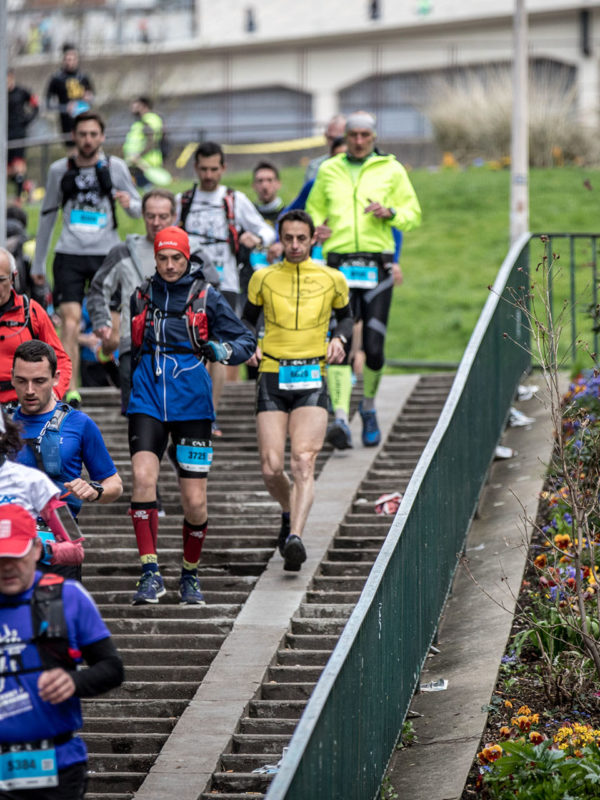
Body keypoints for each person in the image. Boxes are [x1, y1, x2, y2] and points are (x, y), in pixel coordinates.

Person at [127, 227, 255, 604]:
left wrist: (219, 350)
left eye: (176, 259)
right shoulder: (142, 295)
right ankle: (150, 573)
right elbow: (130, 349)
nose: (169, 265)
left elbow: (246, 341)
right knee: (141, 477)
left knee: (195, 502)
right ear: (155, 258)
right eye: (163, 258)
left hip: (193, 405)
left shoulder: (206, 296)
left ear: (187, 258)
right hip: (147, 399)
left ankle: (189, 575)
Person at [241, 210, 352, 571]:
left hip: (312, 375)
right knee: (272, 467)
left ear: (312, 239)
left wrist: (340, 338)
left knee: (303, 461)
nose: (294, 245)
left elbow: (348, 317)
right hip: (273, 373)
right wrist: (249, 345)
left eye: (301, 239)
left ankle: (295, 538)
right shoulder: (263, 278)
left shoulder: (333, 279)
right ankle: (289, 511)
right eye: (288, 238)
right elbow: (246, 320)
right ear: (280, 239)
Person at [306, 110, 422, 448]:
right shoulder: (329, 170)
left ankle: (368, 407)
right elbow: (312, 210)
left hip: (377, 267)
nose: (358, 141)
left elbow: (414, 215)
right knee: (338, 344)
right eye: (353, 135)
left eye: (364, 136)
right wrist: (316, 229)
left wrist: (393, 213)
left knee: (373, 349)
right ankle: (340, 417)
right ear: (345, 136)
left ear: (373, 138)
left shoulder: (391, 169)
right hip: (338, 266)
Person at [0, 502, 124, 798]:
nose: (7, 567)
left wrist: (73, 682)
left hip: (58, 764)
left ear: (35, 549)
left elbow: (112, 668)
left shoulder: (67, 596)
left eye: (14, 557)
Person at [31, 111, 141, 409]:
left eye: (94, 134)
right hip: (70, 253)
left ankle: (106, 352)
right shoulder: (59, 169)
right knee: (70, 321)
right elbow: (47, 216)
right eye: (82, 134)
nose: (88, 140)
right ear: (74, 137)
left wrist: (131, 203)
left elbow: (138, 209)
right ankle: (70, 389)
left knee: (114, 332)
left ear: (102, 137)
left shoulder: (115, 167)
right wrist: (38, 262)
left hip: (107, 254)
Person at [178, 141, 274, 426]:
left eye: (214, 169)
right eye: (203, 169)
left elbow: (267, 232)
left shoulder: (234, 199)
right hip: (189, 285)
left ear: (223, 168)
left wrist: (254, 240)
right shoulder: (182, 201)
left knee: (216, 345)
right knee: (190, 346)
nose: (208, 175)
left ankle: (212, 412)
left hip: (226, 285)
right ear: (196, 168)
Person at [87, 189, 179, 413]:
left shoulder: (191, 251)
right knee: (138, 419)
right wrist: (101, 320)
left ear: (174, 217)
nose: (156, 222)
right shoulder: (123, 252)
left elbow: (211, 291)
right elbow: (97, 289)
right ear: (143, 215)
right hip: (134, 347)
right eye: (150, 216)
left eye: (163, 216)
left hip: (180, 350)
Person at [11, 340, 123, 524]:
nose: (30, 390)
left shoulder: (79, 423)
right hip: (10, 536)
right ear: (12, 377)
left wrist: (95, 491)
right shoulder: (4, 425)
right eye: (22, 381)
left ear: (56, 378)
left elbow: (115, 484)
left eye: (39, 381)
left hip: (58, 536)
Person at [0, 248, 71, 407]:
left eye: (0, 280)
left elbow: (60, 359)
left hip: (23, 407)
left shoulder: (31, 312)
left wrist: (54, 392)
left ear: (13, 278)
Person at [45, 43, 94, 147]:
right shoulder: (57, 79)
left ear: (77, 60)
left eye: (72, 59)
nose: (70, 62)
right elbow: (48, 104)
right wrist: (65, 108)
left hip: (83, 119)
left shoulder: (83, 77)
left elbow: (92, 97)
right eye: (67, 59)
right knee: (72, 150)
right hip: (67, 123)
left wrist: (88, 99)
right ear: (63, 60)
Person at [7, 68, 39, 202]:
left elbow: (36, 105)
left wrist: (27, 120)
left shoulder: (21, 92)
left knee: (18, 166)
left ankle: (18, 199)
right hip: (5, 136)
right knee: (8, 169)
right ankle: (27, 185)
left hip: (19, 134)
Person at [122, 96, 164, 188]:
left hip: (145, 164)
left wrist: (138, 156)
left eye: (136, 104)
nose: (132, 106)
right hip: (137, 164)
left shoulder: (148, 120)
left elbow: (151, 142)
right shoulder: (140, 122)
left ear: (144, 106)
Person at [304, 114, 347, 183]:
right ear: (325, 136)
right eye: (331, 138)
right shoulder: (315, 166)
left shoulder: (360, 164)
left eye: (339, 139)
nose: (335, 144)